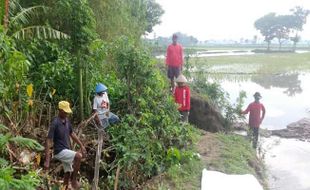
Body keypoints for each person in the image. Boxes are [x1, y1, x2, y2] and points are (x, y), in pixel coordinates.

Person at [44, 101, 86, 189]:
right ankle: (74, 181)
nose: (67, 114)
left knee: (68, 172)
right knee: (78, 156)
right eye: (65, 112)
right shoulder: (55, 122)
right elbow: (48, 140)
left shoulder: (67, 121)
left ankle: (65, 187)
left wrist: (81, 145)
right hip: (59, 151)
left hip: (66, 149)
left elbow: (72, 134)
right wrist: (47, 160)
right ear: (60, 110)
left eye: (67, 112)